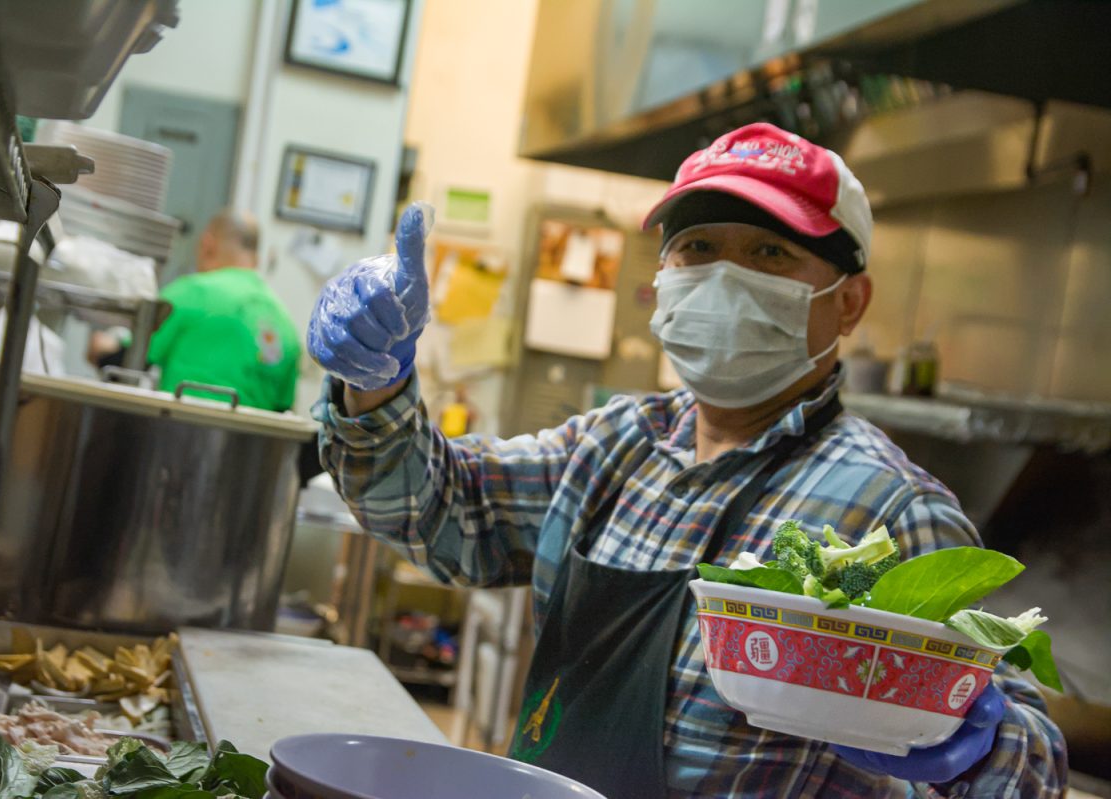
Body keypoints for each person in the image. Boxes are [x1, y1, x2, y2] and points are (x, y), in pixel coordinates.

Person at [306, 125, 1066, 798]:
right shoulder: (615, 445)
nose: (723, 277)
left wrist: (977, 746)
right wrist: (375, 387)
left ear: (849, 301)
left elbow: (1032, 763)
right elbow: (440, 510)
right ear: (663, 275)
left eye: (768, 252)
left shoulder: (892, 509)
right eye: (697, 248)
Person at [90, 209, 301, 412]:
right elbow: (284, 408)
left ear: (207, 245)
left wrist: (101, 348)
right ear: (256, 257)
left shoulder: (191, 292)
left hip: (182, 437)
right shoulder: (286, 324)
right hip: (253, 447)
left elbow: (126, 363)